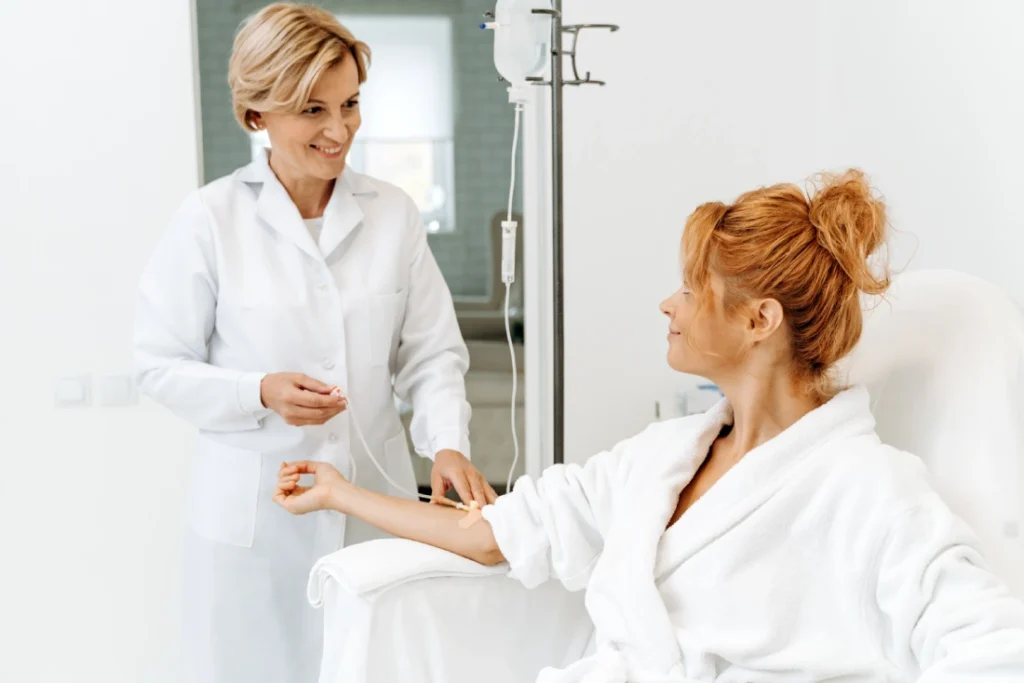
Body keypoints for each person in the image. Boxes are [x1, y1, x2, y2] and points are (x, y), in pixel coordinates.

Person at [274, 169, 1024, 681]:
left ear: (759, 320)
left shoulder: (869, 489)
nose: (669, 304)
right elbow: (492, 530)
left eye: (694, 289)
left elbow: (990, 646)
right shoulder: (664, 455)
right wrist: (340, 492)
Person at [133, 4, 496, 682]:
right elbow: (157, 365)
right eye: (312, 110)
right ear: (257, 115)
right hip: (252, 527)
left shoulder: (392, 213)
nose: (340, 130)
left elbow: (431, 352)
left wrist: (446, 440)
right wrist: (258, 391)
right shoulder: (211, 218)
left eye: (351, 103)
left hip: (370, 502)